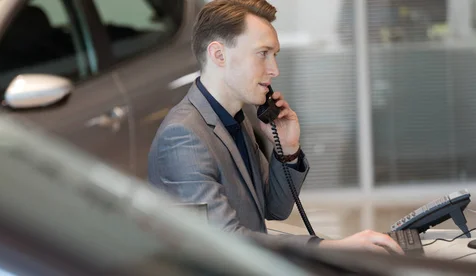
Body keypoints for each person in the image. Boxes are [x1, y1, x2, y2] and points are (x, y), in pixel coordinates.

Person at [148, 0, 403, 255]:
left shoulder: (235, 120)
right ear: (218, 55)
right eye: (263, 53)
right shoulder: (183, 136)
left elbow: (275, 208)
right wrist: (330, 248)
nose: (274, 70)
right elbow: (223, 242)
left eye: (275, 55)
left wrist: (288, 150)